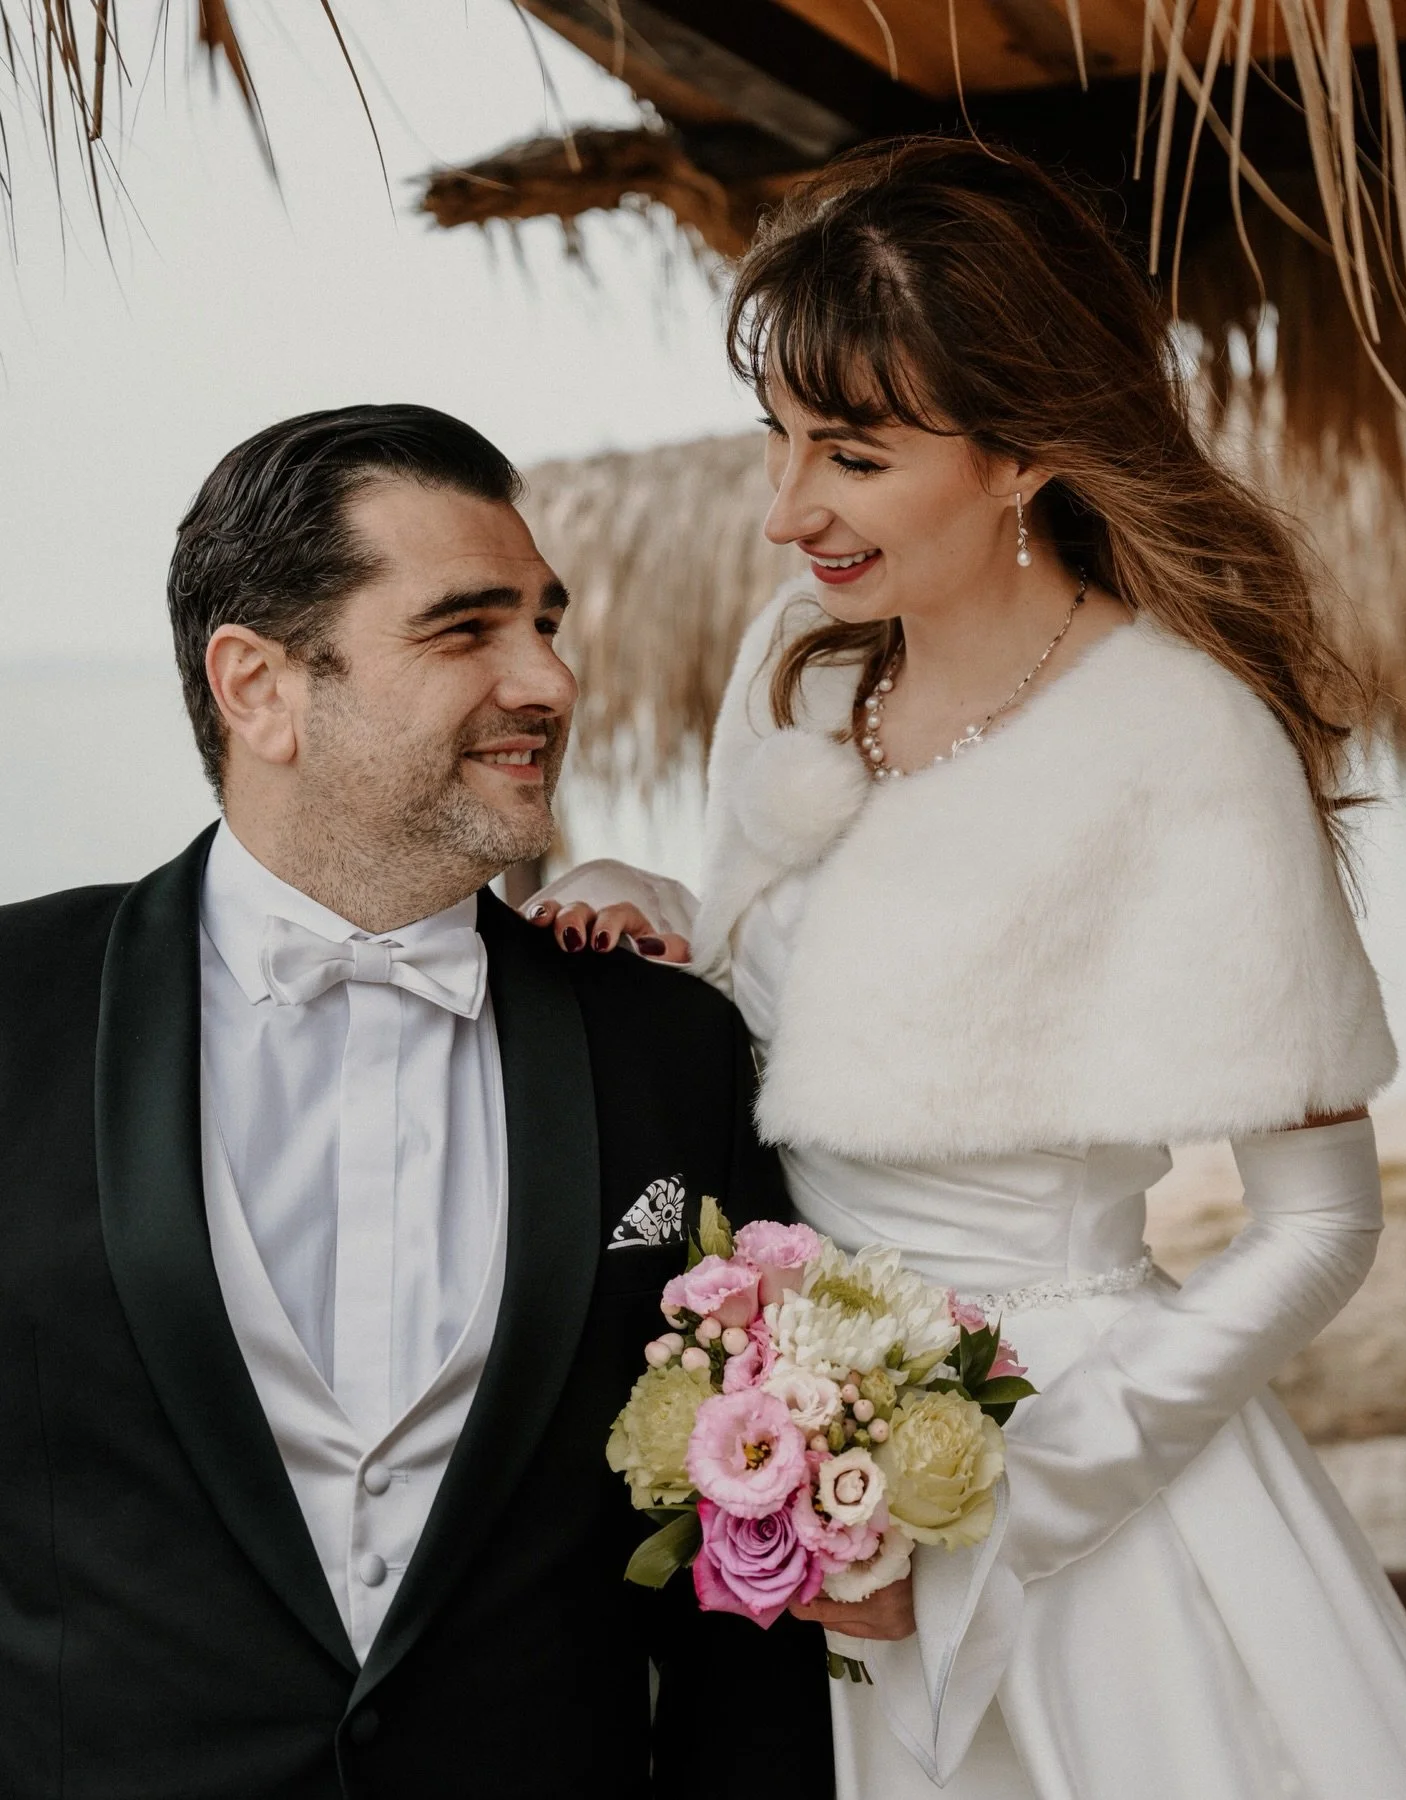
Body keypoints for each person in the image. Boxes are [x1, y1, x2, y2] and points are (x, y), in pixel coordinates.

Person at [528, 141, 1406, 1797]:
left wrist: (1016, 1496)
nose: (788, 509)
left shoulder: (1186, 740)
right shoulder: (793, 673)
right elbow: (790, 1010)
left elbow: (1320, 1225)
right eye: (781, 442)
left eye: (854, 456)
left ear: (1022, 451)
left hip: (1095, 1485)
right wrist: (634, 891)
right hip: (803, 1471)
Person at [0, 404, 832, 1799]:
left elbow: (737, 1611)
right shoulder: (13, 1010)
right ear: (257, 686)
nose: (551, 681)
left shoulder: (670, 1051)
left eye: (547, 624)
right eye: (468, 630)